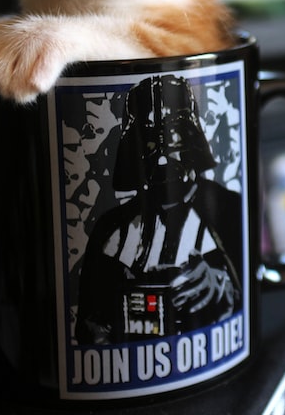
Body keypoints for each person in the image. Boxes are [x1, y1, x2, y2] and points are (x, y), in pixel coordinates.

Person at [75, 74, 243, 344]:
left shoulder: (229, 210)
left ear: (192, 139)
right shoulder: (111, 230)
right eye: (150, 140)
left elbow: (243, 298)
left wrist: (223, 288)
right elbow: (89, 330)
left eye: (174, 135)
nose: (163, 159)